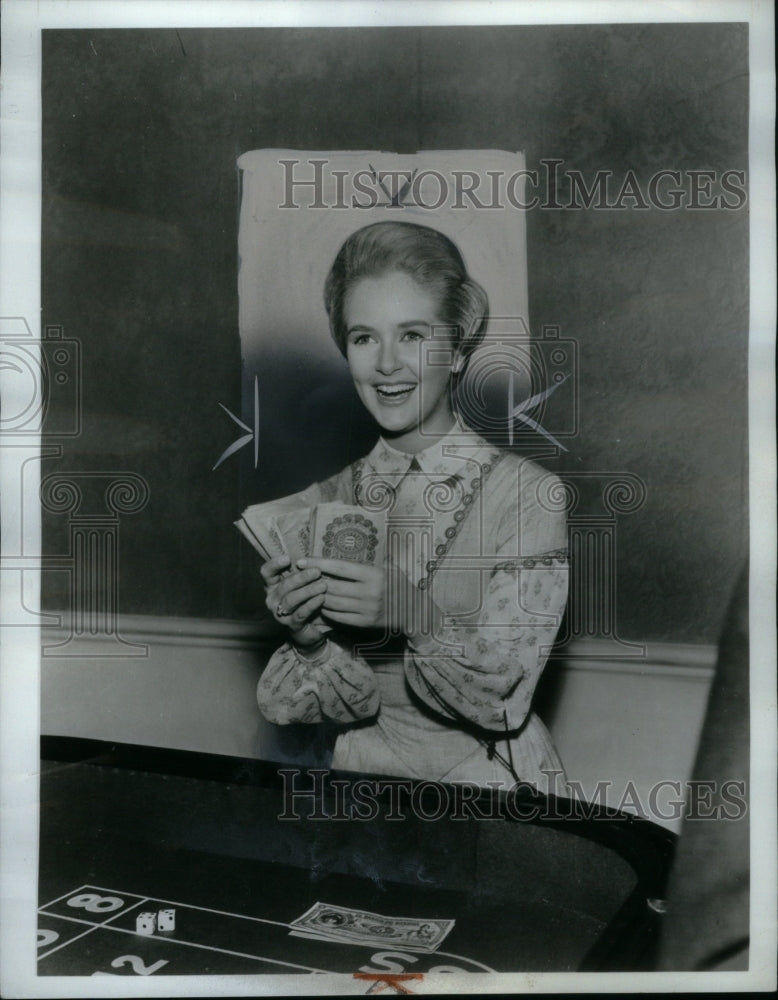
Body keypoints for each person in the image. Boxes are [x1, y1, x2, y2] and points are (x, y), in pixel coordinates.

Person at [256, 221, 568, 792]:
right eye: (364, 337)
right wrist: (308, 641)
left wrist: (412, 613)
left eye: (414, 335)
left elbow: (502, 702)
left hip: (492, 792)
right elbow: (337, 705)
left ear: (456, 349)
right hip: (362, 786)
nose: (387, 364)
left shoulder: (526, 493)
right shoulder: (322, 500)